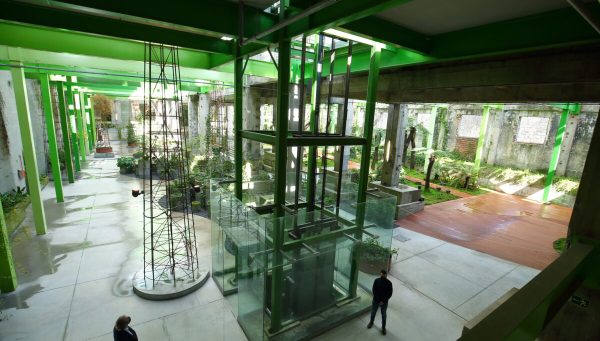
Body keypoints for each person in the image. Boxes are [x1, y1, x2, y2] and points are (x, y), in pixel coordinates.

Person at [367, 270, 393, 335]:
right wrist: (379, 301)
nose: (382, 276)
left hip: (384, 302)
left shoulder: (389, 283)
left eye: (383, 275)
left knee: (384, 315)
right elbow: (374, 291)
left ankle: (383, 328)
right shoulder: (376, 281)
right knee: (373, 312)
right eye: (381, 274)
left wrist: (383, 301)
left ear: (386, 275)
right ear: (380, 274)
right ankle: (371, 322)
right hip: (376, 301)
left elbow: (389, 294)